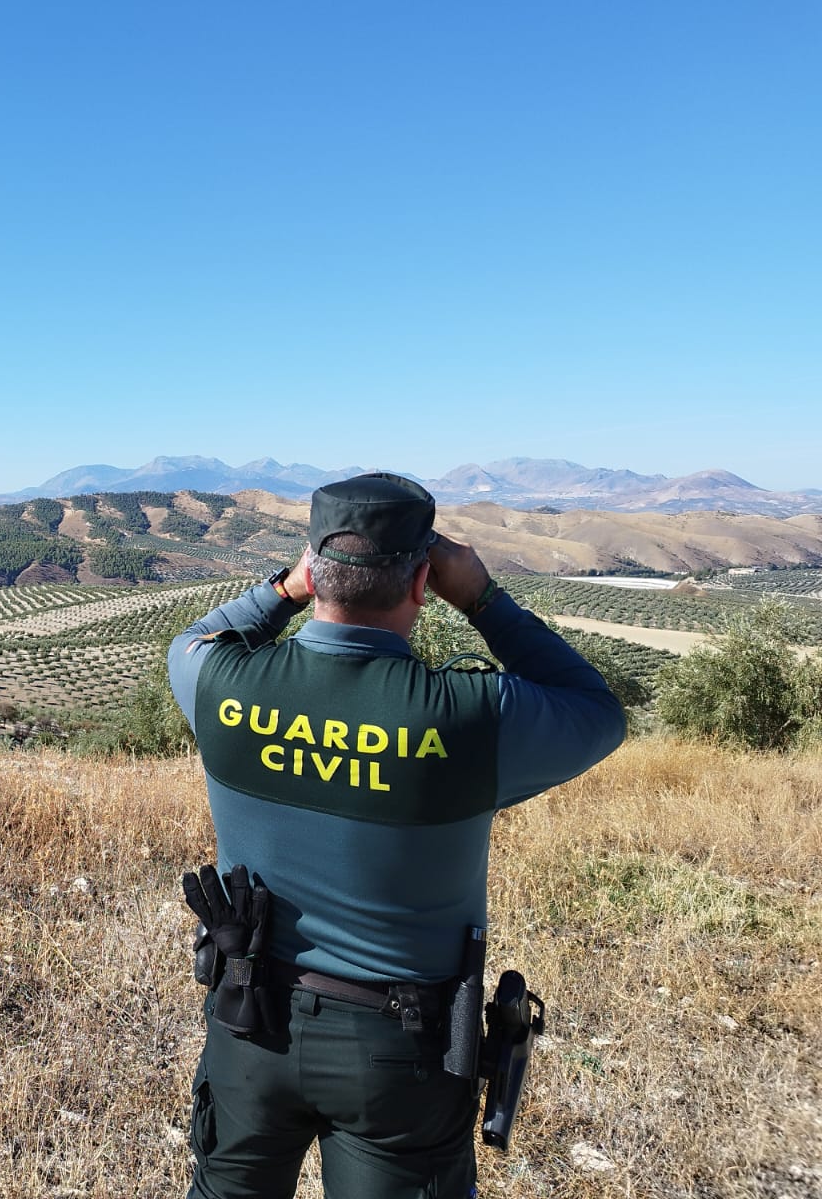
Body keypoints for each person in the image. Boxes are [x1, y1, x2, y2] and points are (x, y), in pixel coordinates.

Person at [166, 472, 627, 1199]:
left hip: (246, 1021)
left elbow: (191, 640)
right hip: (399, 1051)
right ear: (423, 582)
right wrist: (482, 598)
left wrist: (281, 591)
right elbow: (598, 711)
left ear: (315, 570)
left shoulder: (219, 683)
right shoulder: (472, 719)